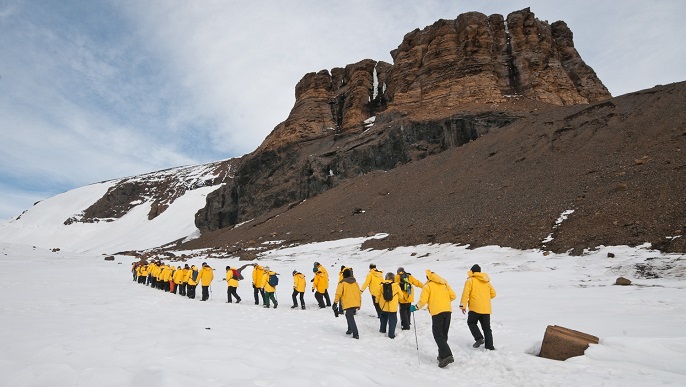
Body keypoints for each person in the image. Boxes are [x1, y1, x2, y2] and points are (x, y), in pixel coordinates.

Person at [413, 270, 457, 368]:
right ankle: (442, 356)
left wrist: (415, 307)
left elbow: (423, 300)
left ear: (428, 277)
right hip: (448, 311)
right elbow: (453, 296)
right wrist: (444, 301)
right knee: (443, 334)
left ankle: (447, 355)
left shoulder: (427, 286)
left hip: (437, 312)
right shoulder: (444, 284)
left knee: (437, 335)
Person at [459, 264, 497, 351]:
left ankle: (479, 338)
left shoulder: (470, 280)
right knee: (487, 328)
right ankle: (489, 346)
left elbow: (465, 294)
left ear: (472, 271)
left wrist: (463, 306)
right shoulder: (486, 281)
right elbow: (493, 293)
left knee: (471, 322)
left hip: (475, 307)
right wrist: (484, 299)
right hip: (486, 308)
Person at [333, 268, 361, 339]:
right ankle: (350, 329)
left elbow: (338, 294)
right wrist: (359, 303)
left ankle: (355, 333)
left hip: (348, 303)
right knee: (348, 315)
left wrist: (335, 302)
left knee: (350, 316)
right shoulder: (355, 283)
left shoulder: (342, 283)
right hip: (355, 302)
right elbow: (359, 294)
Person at [377, 273, 401, 339]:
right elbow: (401, 296)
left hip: (383, 306)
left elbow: (378, 295)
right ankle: (391, 334)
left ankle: (382, 330)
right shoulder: (396, 286)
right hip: (393, 307)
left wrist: (377, 302)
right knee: (393, 319)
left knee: (383, 317)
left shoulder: (381, 285)